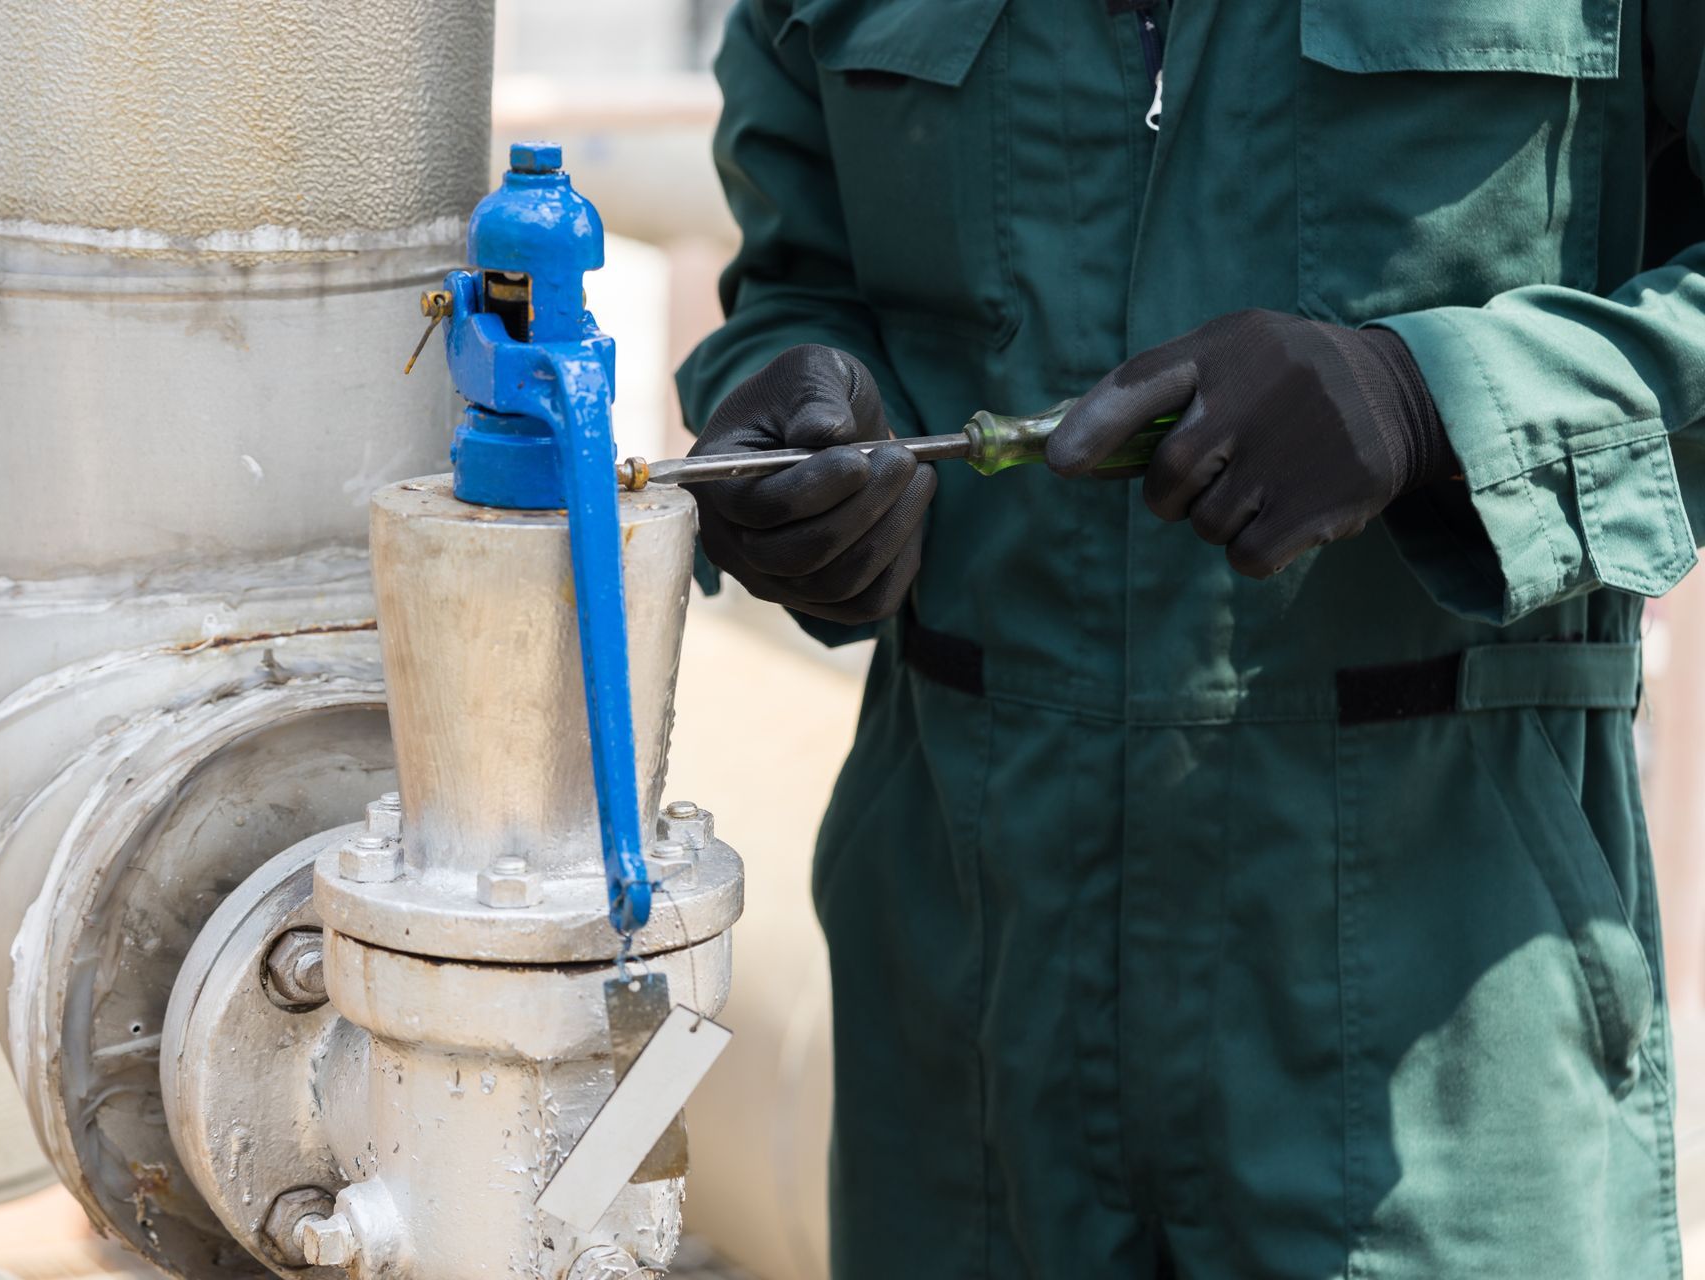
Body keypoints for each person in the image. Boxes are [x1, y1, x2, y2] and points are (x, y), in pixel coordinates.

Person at [674, 2, 1705, 1276]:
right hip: (960, 1045)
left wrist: (1431, 403)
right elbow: (800, 275)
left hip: (1447, 1040)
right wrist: (791, 426)